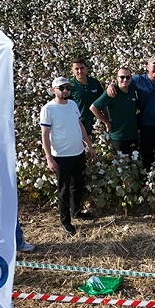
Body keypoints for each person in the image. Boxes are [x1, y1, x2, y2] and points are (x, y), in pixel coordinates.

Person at [40, 77, 96, 235]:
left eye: (68, 88)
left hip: (78, 152)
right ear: (54, 90)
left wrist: (89, 146)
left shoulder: (72, 104)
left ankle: (76, 211)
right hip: (61, 156)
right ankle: (66, 221)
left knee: (78, 184)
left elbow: (80, 126)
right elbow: (45, 135)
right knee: (63, 189)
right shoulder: (48, 109)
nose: (65, 91)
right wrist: (49, 158)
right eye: (61, 88)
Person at [108, 55, 155, 171]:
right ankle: (148, 176)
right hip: (146, 126)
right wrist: (111, 85)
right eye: (154, 67)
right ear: (147, 67)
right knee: (147, 153)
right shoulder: (138, 80)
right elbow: (123, 82)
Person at [89, 67, 138, 154]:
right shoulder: (112, 92)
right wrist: (106, 121)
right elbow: (93, 108)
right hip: (118, 137)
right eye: (122, 77)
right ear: (117, 78)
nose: (125, 80)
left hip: (133, 135)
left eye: (128, 77)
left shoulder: (132, 90)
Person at [68, 58, 103, 136]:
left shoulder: (95, 83)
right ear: (72, 70)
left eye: (82, 68)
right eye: (76, 69)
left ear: (86, 68)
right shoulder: (69, 86)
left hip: (97, 125)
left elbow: (103, 103)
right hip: (80, 126)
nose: (80, 71)